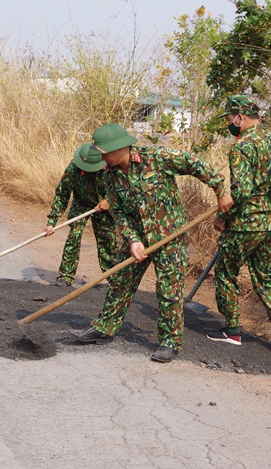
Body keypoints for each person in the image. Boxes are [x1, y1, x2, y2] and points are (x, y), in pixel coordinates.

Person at [68, 124, 232, 363]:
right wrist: (133, 240)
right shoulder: (109, 176)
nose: (102, 157)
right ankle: (104, 328)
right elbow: (119, 213)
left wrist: (220, 190)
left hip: (169, 238)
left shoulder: (157, 158)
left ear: (120, 147)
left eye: (105, 152)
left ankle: (170, 342)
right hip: (138, 238)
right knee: (120, 282)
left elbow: (195, 164)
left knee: (169, 291)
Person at [207, 95, 271, 362]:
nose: (230, 124)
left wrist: (222, 217)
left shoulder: (242, 146)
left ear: (240, 118)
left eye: (230, 120)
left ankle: (231, 330)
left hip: (247, 224)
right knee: (268, 279)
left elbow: (241, 191)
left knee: (227, 272)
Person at [43, 143, 119, 286]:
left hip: (104, 207)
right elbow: (62, 194)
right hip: (82, 203)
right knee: (74, 235)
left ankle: (114, 278)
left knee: (107, 239)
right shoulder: (73, 168)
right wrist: (51, 222)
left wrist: (109, 200)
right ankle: (66, 276)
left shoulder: (112, 167)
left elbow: (123, 189)